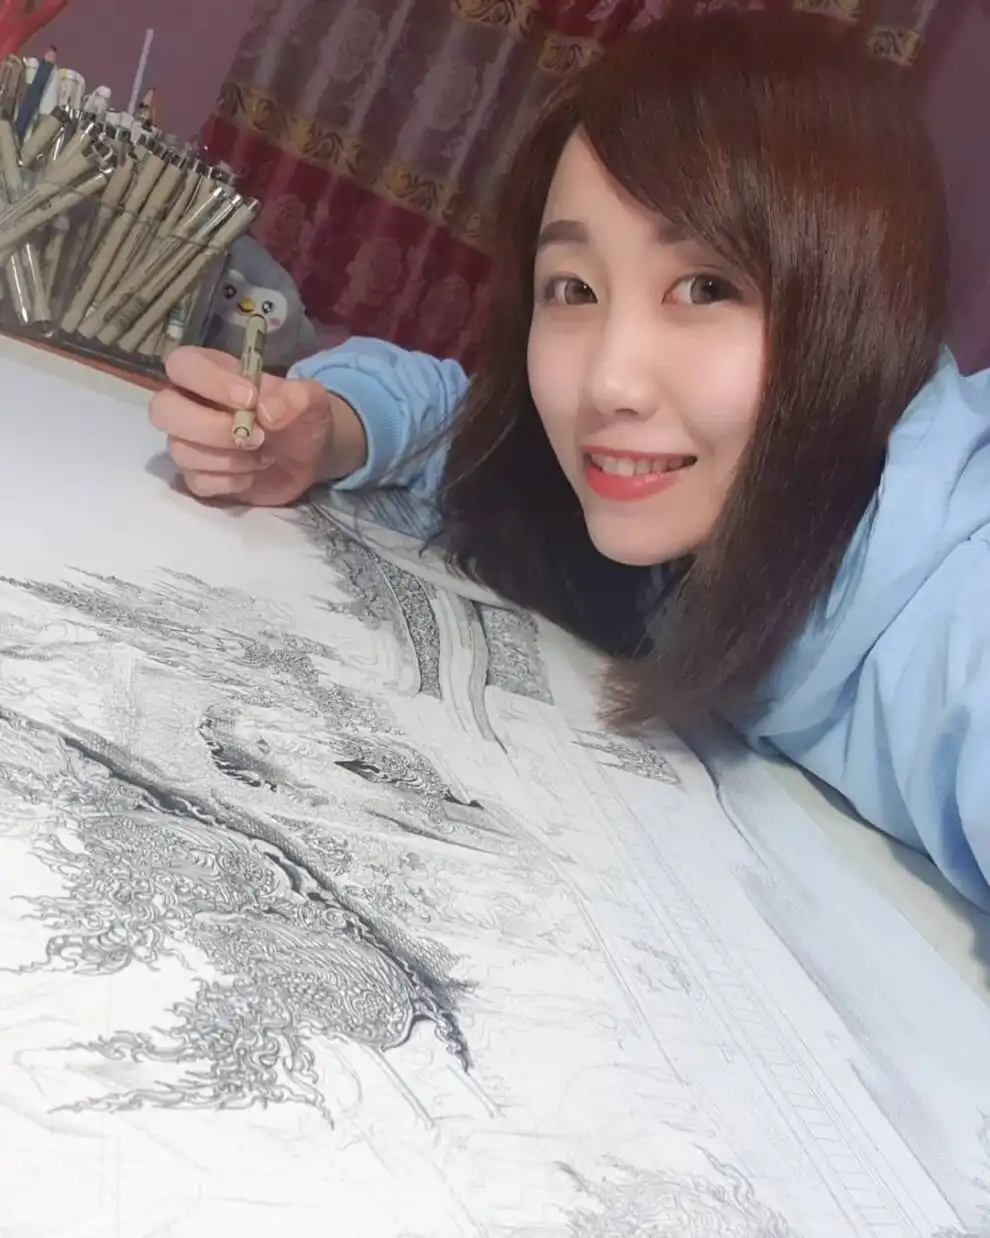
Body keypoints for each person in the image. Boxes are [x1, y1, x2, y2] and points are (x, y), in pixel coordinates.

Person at [148, 11, 990, 910]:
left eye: (705, 288)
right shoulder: (691, 488)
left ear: (860, 308)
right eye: (575, 290)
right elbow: (465, 420)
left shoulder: (953, 610)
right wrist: (330, 431)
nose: (607, 382)